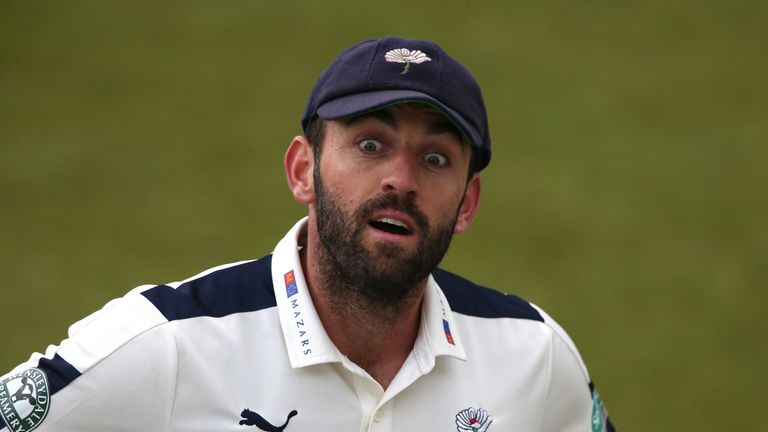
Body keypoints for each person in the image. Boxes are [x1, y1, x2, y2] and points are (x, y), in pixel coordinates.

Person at [0, 36, 616, 432]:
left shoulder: (534, 355)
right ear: (303, 170)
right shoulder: (167, 344)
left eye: (435, 159)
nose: (401, 179)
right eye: (370, 144)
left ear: (466, 203)